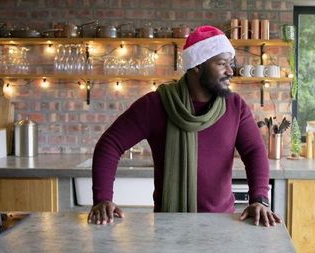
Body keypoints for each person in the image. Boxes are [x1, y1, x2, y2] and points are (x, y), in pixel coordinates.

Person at [87, 25, 281, 227]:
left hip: (222, 224)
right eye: (222, 63)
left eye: (230, 63)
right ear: (197, 66)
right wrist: (102, 198)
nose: (230, 71)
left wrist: (260, 199)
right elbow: (110, 144)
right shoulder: (156, 104)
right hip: (169, 226)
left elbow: (254, 152)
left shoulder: (235, 106)